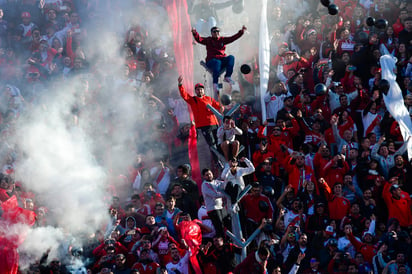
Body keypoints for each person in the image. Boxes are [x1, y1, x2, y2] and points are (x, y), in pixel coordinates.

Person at [192, 25, 247, 93]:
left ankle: (227, 76)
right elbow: (199, 39)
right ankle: (215, 83)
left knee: (231, 57)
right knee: (217, 62)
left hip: (221, 60)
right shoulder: (208, 40)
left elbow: (233, 38)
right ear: (211, 33)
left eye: (218, 31)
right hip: (211, 61)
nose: (216, 33)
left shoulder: (222, 40)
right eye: (214, 32)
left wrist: (241, 32)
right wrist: (195, 33)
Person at [178, 75, 222, 152]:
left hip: (214, 124)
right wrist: (180, 85)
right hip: (203, 125)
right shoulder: (193, 100)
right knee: (211, 144)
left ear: (203, 90)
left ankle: (224, 159)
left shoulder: (209, 99)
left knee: (219, 142)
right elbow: (184, 95)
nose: (200, 91)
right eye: (198, 89)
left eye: (201, 89)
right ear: (196, 91)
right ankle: (217, 161)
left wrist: (222, 105)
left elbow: (219, 106)